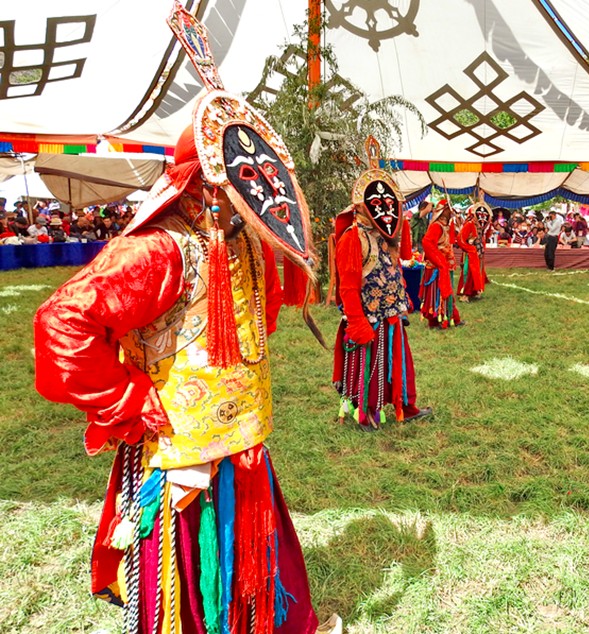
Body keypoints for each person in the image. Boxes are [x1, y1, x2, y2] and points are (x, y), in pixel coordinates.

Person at [32, 6, 336, 632]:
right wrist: (128, 399)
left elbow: (261, 321)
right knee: (187, 584)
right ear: (207, 181)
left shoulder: (244, 242)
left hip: (241, 442)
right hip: (180, 450)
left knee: (253, 559)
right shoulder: (159, 250)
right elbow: (61, 322)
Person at [332, 153, 432, 431]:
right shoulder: (353, 238)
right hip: (369, 318)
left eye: (390, 203)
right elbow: (348, 287)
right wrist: (357, 323)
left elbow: (400, 263)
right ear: (362, 206)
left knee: (400, 363)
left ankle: (405, 405)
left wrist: (404, 298)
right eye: (378, 204)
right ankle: (366, 412)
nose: (387, 209)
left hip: (392, 315)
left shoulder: (386, 236)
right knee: (370, 368)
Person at [420, 199, 463, 328]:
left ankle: (449, 317)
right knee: (437, 294)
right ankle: (437, 319)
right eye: (448, 210)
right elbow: (427, 243)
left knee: (446, 293)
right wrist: (439, 260)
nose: (451, 212)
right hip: (437, 267)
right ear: (443, 211)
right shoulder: (436, 226)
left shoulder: (445, 226)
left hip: (444, 267)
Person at [456, 202, 489, 300]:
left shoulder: (480, 225)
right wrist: (469, 248)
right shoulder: (469, 224)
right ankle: (465, 294)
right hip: (470, 254)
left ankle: (475, 291)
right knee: (469, 273)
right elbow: (460, 238)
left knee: (477, 273)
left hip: (478, 253)